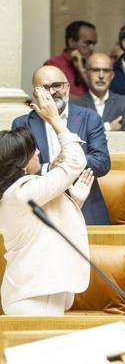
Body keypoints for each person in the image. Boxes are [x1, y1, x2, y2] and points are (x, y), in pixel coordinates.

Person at [1, 86, 92, 315]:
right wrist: (55, 120)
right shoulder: (24, 192)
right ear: (22, 163)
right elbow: (74, 162)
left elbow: (41, 227)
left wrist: (76, 203)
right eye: (34, 151)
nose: (39, 154)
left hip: (37, 292)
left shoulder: (16, 193)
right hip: (33, 298)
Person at [12, 65, 111, 225]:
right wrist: (50, 167)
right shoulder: (22, 124)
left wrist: (68, 163)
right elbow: (18, 170)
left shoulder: (89, 118)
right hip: (41, 209)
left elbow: (102, 163)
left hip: (87, 209)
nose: (51, 92)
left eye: (56, 85)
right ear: (34, 92)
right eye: (44, 88)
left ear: (67, 87)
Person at [75, 53, 125, 131]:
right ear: (86, 74)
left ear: (112, 75)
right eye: (96, 70)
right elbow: (75, 135)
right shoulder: (75, 106)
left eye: (106, 71)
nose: (101, 76)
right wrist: (108, 127)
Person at [44, 20, 97, 98]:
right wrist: (88, 101)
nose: (92, 48)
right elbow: (56, 97)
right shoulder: (52, 65)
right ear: (71, 42)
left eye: (94, 44)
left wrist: (81, 68)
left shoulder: (92, 66)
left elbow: (99, 95)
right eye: (87, 43)